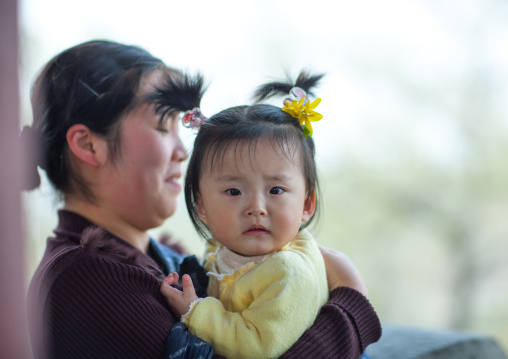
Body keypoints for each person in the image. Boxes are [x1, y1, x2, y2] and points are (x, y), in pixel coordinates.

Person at [24, 40, 381, 359]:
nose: (183, 151)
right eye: (164, 128)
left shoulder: (178, 262)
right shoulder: (85, 278)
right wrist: (350, 309)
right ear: (88, 145)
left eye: (181, 129)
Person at [161, 73, 331, 358]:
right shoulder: (221, 251)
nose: (256, 207)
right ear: (201, 205)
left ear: (306, 203)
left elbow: (257, 346)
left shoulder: (288, 272)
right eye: (233, 191)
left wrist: (195, 311)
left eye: (276, 189)